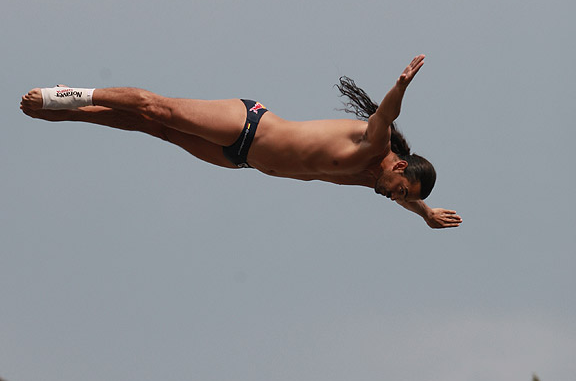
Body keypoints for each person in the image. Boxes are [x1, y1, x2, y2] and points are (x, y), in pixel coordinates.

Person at [20, 55, 461, 229]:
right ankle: (69, 94)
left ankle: (69, 113)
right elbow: (387, 112)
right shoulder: (373, 148)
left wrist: (423, 213)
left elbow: (404, 199)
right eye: (400, 190)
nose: (392, 196)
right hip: (248, 126)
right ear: (400, 166)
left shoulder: (373, 179)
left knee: (154, 129)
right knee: (157, 109)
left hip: (240, 160)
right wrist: (401, 84)